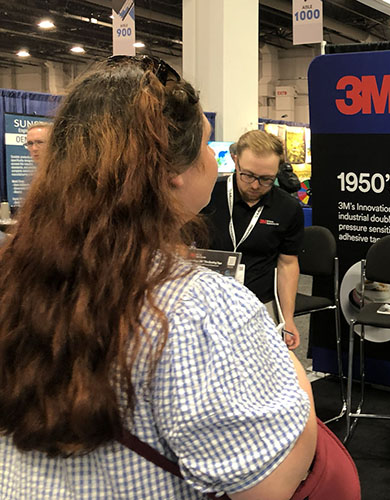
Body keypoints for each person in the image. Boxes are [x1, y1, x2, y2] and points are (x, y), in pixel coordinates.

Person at [0, 56, 330, 499]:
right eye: (207, 147)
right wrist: (294, 375)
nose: (214, 162)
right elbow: (267, 487)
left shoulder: (16, 275)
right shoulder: (201, 308)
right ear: (174, 172)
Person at [203, 130, 304, 349]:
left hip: (259, 305)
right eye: (247, 175)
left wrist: (287, 319)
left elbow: (287, 264)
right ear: (235, 161)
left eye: (266, 179)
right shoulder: (207, 196)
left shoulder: (288, 208)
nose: (256, 185)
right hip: (207, 305)